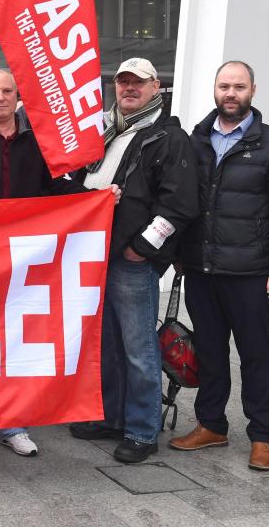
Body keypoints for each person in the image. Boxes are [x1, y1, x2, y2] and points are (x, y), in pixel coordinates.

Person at [0, 0, 94, 459]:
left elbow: (58, 196)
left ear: (17, 97)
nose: (1, 98)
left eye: (7, 91)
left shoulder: (37, 144)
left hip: (25, 260)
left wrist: (97, 202)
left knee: (16, 340)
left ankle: (13, 424)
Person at [170, 61, 269, 472]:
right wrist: (178, 256)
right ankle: (211, 425)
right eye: (224, 86)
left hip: (251, 274)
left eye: (239, 87)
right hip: (201, 270)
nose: (231, 93)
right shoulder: (195, 140)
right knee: (210, 353)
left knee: (255, 355)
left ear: (253, 90)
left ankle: (262, 435)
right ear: (215, 89)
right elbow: (179, 200)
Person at [67, 57, 198, 464]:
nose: (129, 88)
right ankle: (112, 416)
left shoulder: (168, 137)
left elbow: (179, 205)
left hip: (131, 260)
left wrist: (141, 247)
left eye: (138, 83)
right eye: (123, 82)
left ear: (155, 87)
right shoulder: (105, 131)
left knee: (139, 347)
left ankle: (142, 430)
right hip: (96, 254)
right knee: (106, 343)